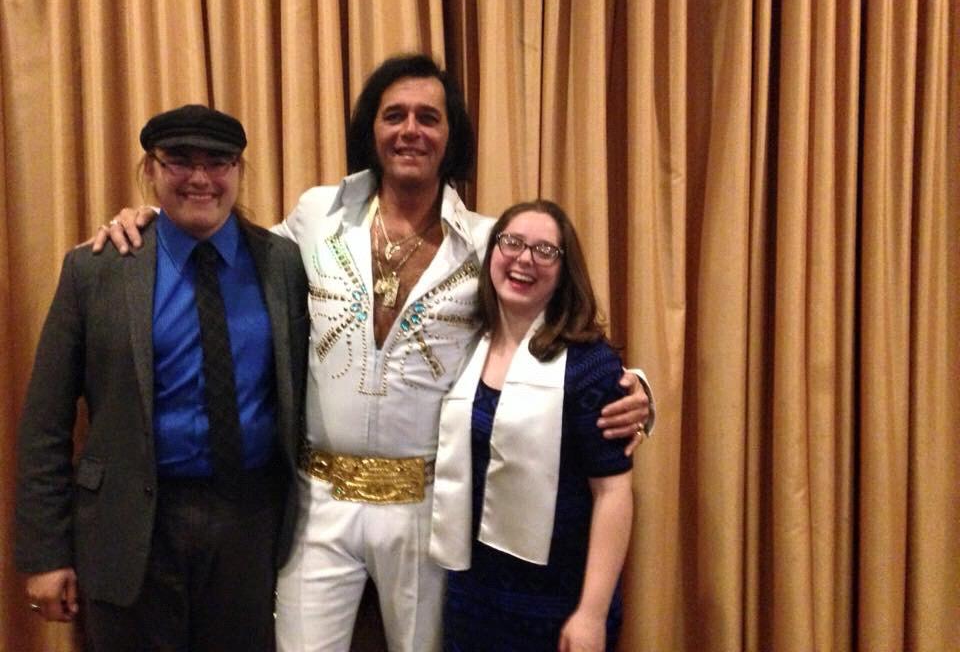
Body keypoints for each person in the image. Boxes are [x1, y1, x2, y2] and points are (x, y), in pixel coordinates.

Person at [93, 54, 653, 652]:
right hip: (317, 502)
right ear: (371, 129)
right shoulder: (317, 215)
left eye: (428, 118)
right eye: (394, 115)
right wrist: (158, 218)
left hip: (430, 507)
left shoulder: (487, 241)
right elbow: (229, 253)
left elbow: (552, 322)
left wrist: (634, 387)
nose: (411, 130)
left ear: (451, 135)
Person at [15, 105, 309, 651]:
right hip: (129, 525)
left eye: (217, 161)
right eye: (180, 160)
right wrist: (46, 554)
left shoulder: (282, 264)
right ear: (151, 168)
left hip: (249, 522)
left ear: (239, 169)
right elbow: (45, 423)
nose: (200, 177)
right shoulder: (96, 269)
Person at [431, 200, 634, 652]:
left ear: (565, 271)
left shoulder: (589, 365)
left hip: (557, 601)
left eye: (545, 251)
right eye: (513, 243)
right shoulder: (465, 345)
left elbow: (613, 493)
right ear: (493, 253)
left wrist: (591, 613)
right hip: (473, 594)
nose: (524, 259)